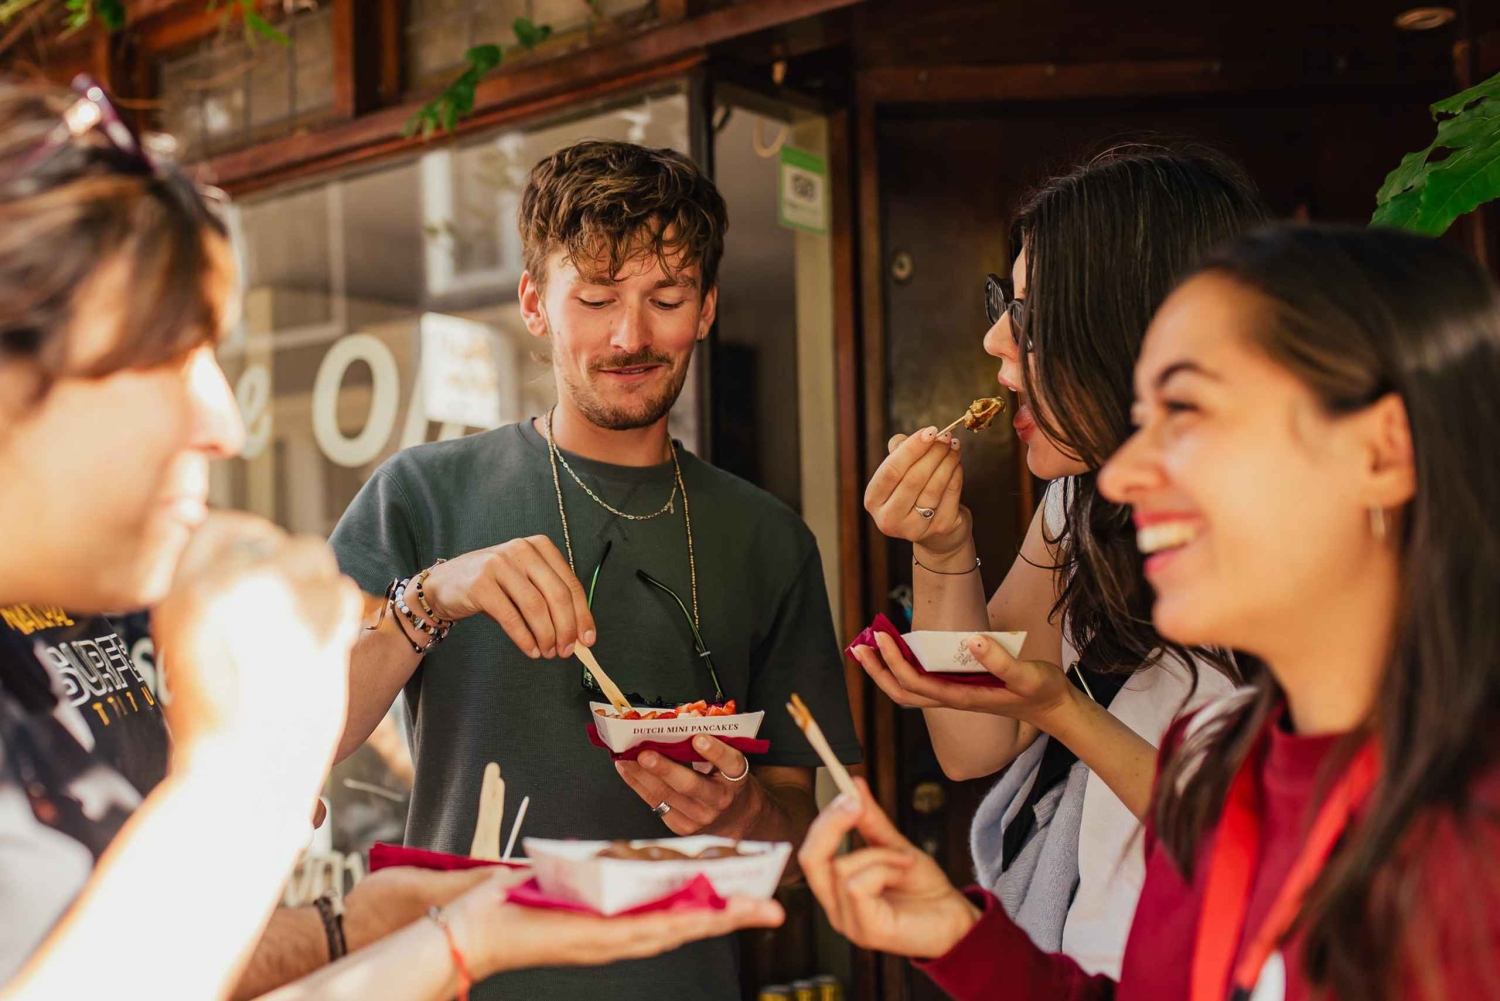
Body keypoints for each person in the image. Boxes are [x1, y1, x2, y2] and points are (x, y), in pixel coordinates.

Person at [0, 76, 781, 1000]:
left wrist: (417, 933)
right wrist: (247, 771)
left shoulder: (100, 628)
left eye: (666, 296)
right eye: (162, 356)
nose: (224, 421)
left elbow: (122, 960)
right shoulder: (424, 491)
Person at [801, 224, 1500, 1000]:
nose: (1127, 472)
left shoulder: (1467, 855)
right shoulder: (1230, 760)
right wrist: (964, 943)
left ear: (1381, 453)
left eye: (1188, 414)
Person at [328, 137, 860, 1001]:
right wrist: (432, 594)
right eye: (598, 297)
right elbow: (306, 728)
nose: (631, 335)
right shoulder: (423, 493)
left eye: (667, 297)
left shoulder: (769, 539)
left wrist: (745, 816)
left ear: (709, 306)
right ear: (535, 303)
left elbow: (803, 836)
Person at [851, 145, 1264, 974]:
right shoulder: (1079, 505)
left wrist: (1062, 711)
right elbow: (973, 743)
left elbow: (1260, 839)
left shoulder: (1288, 531)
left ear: (1132, 326)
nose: (995, 338)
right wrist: (943, 546)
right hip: (1093, 960)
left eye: (1033, 315)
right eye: (1006, 301)